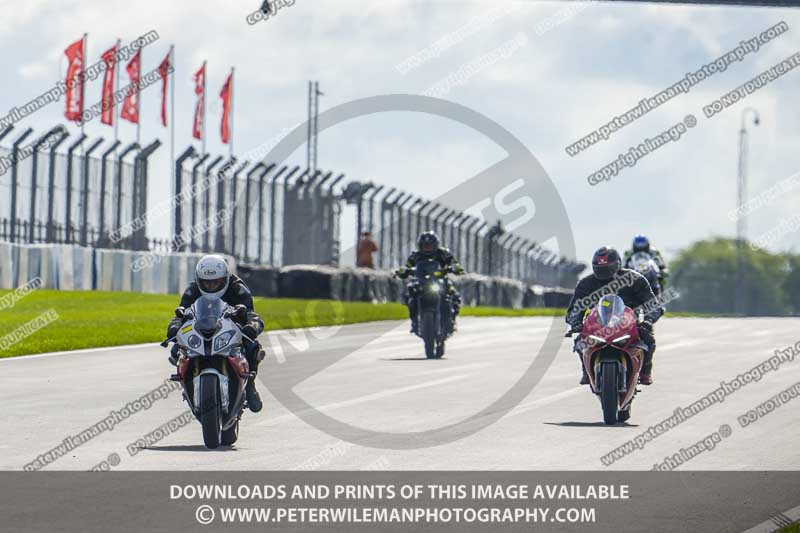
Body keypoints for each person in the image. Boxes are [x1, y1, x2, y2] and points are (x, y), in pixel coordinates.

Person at [166, 255, 266, 413]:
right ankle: (186, 380)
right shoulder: (193, 289)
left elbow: (251, 314)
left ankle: (250, 387)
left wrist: (252, 326)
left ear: (225, 278)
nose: (211, 286)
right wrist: (174, 326)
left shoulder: (237, 287)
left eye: (216, 282)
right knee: (176, 348)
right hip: (201, 327)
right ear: (199, 280)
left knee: (252, 345)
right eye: (206, 283)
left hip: (229, 327)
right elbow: (181, 314)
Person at [565, 246, 663, 386]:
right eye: (600, 268)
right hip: (597, 324)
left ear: (618, 264)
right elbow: (574, 309)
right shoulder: (586, 283)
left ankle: (645, 372)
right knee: (580, 341)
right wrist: (576, 323)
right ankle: (586, 371)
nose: (604, 272)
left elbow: (653, 304)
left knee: (648, 338)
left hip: (629, 324)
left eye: (608, 268)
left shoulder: (635, 279)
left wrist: (648, 320)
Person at [396, 231, 464, 334]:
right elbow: (407, 266)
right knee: (410, 295)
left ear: (435, 245)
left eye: (429, 245)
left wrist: (455, 268)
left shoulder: (443, 253)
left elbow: (454, 263)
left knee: (453, 294)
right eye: (425, 246)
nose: (427, 248)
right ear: (420, 246)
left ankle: (451, 320)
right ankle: (415, 322)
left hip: (439, 280)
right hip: (421, 281)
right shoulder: (415, 255)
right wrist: (403, 271)